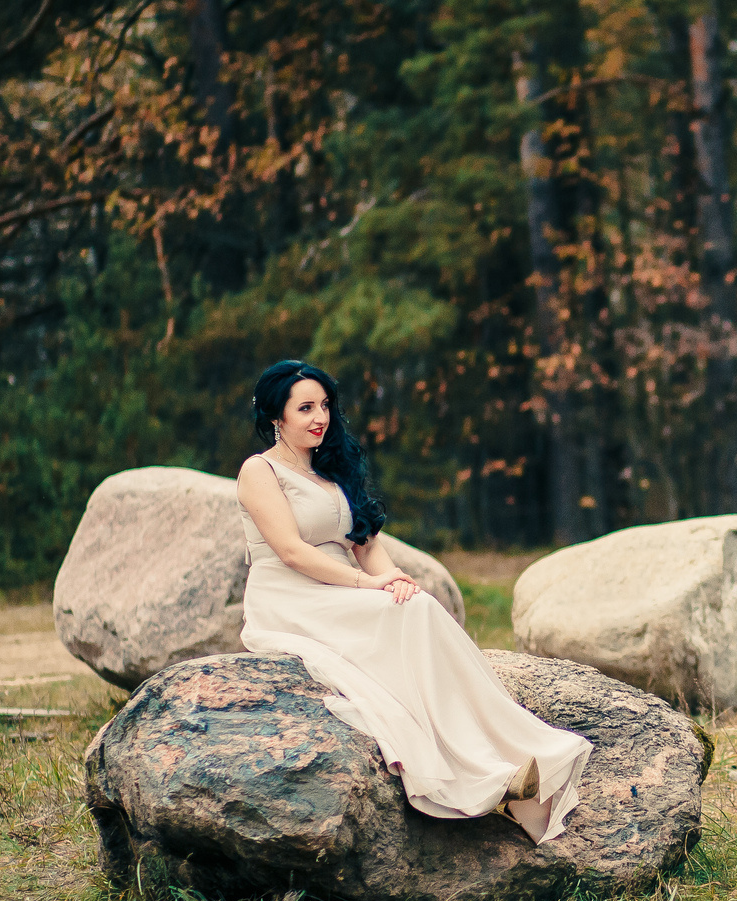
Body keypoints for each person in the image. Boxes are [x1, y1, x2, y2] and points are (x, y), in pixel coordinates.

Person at [234, 360, 591, 843]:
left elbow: (366, 545)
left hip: (340, 589)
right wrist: (367, 586)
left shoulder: (330, 469)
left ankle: (501, 758)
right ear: (277, 416)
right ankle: (479, 772)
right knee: (402, 629)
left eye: (324, 406)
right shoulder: (260, 471)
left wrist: (394, 579)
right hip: (291, 596)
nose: (320, 417)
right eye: (305, 408)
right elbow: (293, 553)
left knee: (418, 607)